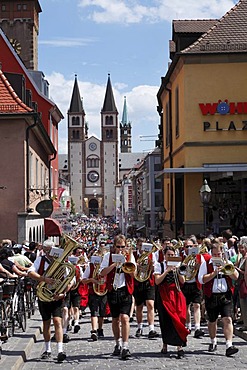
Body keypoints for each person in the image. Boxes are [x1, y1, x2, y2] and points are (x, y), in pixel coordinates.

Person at [27, 239, 69, 362]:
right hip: (44, 297)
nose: (49, 253)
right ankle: (47, 349)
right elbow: (30, 272)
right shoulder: (40, 260)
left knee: (57, 321)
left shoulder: (61, 262)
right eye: (46, 251)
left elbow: (69, 280)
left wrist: (63, 293)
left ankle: (60, 350)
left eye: (50, 251)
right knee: (46, 323)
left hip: (56, 296)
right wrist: (43, 279)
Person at [198, 241, 239, 357]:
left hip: (225, 296)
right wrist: (213, 273)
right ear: (211, 254)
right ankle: (213, 341)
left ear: (222, 254)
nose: (217, 256)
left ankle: (229, 345)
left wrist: (226, 269)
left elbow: (236, 276)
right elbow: (201, 280)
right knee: (212, 321)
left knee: (228, 320)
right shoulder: (205, 264)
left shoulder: (228, 262)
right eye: (215, 254)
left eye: (219, 254)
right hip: (212, 296)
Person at [100, 234, 136, 360]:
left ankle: (125, 346)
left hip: (125, 290)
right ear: (114, 247)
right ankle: (118, 343)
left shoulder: (129, 256)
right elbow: (102, 273)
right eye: (118, 246)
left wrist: (126, 263)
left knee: (125, 318)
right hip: (112, 290)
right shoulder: (107, 256)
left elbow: (134, 275)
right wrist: (114, 264)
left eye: (123, 246)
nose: (121, 249)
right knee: (115, 319)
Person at [153, 246, 189, 358]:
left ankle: (180, 346)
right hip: (164, 295)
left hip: (177, 294)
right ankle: (165, 344)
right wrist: (167, 270)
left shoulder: (178, 265)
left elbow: (182, 281)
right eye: (169, 255)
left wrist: (178, 271)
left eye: (173, 255)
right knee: (165, 320)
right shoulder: (160, 265)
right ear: (164, 255)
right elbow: (157, 281)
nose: (171, 257)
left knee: (179, 319)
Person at [133, 238, 158, 339]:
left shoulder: (151, 255)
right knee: (139, 306)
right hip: (138, 282)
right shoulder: (134, 255)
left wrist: (152, 266)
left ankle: (151, 328)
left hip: (148, 281)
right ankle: (140, 326)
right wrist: (136, 266)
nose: (142, 248)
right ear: (137, 246)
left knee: (150, 304)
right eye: (140, 245)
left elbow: (155, 267)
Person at [181, 238, 204, 338]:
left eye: (191, 246)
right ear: (184, 248)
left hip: (195, 283)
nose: (189, 248)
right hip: (185, 283)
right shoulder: (181, 256)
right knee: (186, 307)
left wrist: (198, 266)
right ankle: (188, 325)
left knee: (197, 305)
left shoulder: (198, 257)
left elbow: (203, 268)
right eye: (187, 246)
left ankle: (197, 327)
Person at [82, 250, 107, 341]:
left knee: (102, 312)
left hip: (104, 291)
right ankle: (94, 330)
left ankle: (100, 329)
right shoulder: (90, 267)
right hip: (93, 292)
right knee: (94, 311)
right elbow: (83, 279)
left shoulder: (106, 266)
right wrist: (92, 280)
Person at [235, 236, 247, 331]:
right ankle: (244, 321)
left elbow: (245, 272)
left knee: (244, 303)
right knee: (242, 303)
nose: (240, 250)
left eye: (242, 248)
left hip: (244, 282)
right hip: (240, 282)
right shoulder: (242, 257)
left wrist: (238, 270)